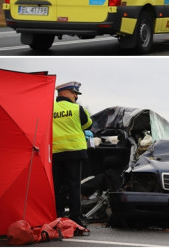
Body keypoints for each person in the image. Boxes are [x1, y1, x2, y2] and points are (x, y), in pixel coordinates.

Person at [52, 81, 93, 227]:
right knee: (74, 186)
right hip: (75, 152)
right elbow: (88, 125)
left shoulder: (48, 108)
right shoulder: (77, 109)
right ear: (63, 93)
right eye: (73, 92)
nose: (76, 96)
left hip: (56, 153)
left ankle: (57, 216)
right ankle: (75, 219)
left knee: (57, 187)